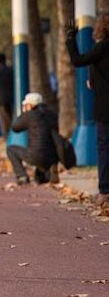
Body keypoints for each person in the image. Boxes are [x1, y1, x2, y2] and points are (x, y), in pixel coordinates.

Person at [66, 13, 109, 205]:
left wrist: (70, 39)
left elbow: (78, 60)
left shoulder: (101, 48)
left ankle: (105, 192)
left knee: (104, 147)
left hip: (105, 107)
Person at [6, 92, 59, 185]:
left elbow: (15, 127)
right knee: (40, 177)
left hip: (35, 155)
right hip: (53, 155)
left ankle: (22, 175)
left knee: (11, 149)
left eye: (25, 105)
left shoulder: (30, 115)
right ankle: (46, 171)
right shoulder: (52, 114)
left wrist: (24, 114)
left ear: (30, 105)